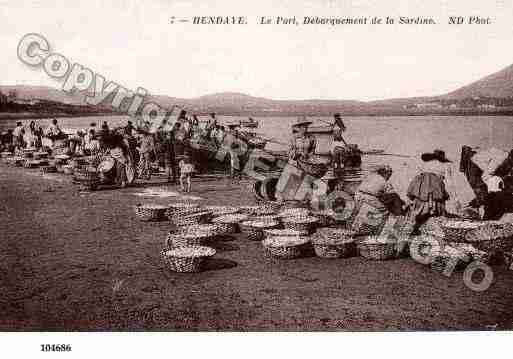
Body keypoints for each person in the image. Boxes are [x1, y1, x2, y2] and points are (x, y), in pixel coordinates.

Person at [407, 150, 452, 235]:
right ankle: (434, 229)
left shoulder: (425, 164)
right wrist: (453, 196)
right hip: (435, 188)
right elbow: (449, 182)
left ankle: (416, 227)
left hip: (421, 188)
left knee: (420, 209)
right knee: (437, 208)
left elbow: (417, 176)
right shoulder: (446, 165)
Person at [351, 165, 404, 234]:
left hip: (357, 196)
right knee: (385, 211)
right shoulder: (385, 182)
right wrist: (402, 203)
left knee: (366, 211)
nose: (389, 177)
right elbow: (394, 195)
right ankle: (385, 230)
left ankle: (356, 228)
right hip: (369, 198)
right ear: (385, 174)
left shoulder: (370, 177)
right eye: (389, 175)